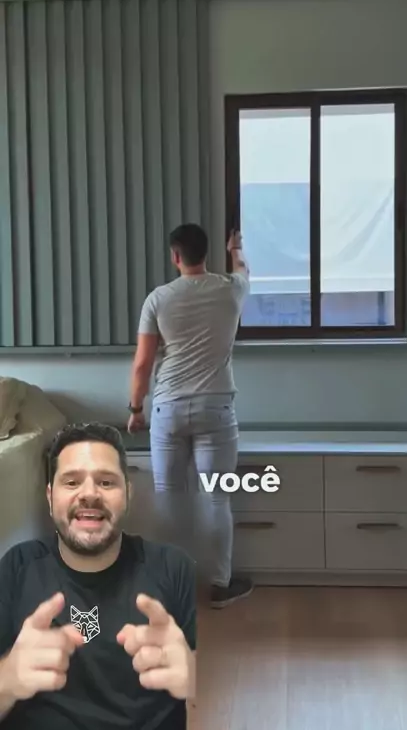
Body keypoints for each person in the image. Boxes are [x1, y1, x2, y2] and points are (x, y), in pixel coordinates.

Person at [0, 422, 195, 729]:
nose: (89, 494)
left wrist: (190, 672)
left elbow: (197, 682)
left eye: (106, 482)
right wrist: (8, 680)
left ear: (128, 494)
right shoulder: (16, 567)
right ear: (50, 497)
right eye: (71, 482)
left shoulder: (174, 568)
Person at [127, 224, 252, 609]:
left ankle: (169, 589)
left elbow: (143, 364)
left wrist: (135, 409)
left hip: (168, 409)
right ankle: (220, 585)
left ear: (175, 256)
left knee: (169, 499)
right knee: (217, 498)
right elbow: (244, 270)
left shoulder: (158, 299)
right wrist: (236, 250)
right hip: (216, 408)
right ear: (206, 253)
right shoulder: (230, 289)